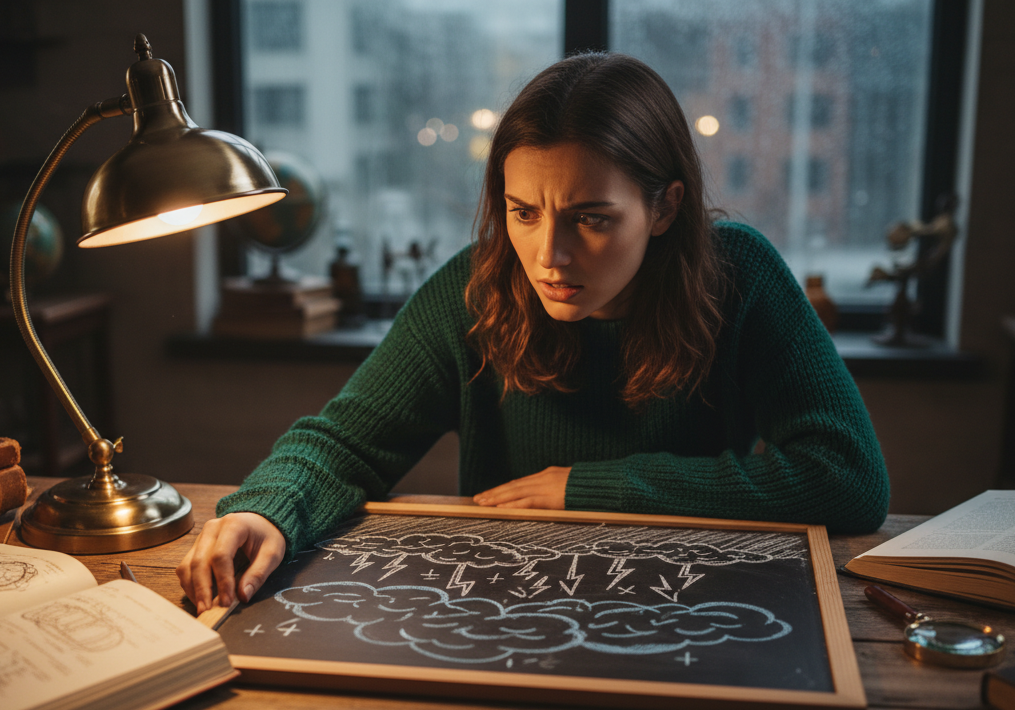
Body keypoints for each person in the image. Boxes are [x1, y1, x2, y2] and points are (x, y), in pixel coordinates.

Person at [178, 52, 889, 615]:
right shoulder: (473, 288)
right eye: (523, 212)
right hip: (507, 612)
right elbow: (343, 445)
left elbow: (849, 477)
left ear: (665, 208)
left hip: (700, 607)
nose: (550, 256)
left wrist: (597, 489)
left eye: (591, 219)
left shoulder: (740, 275)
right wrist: (269, 510)